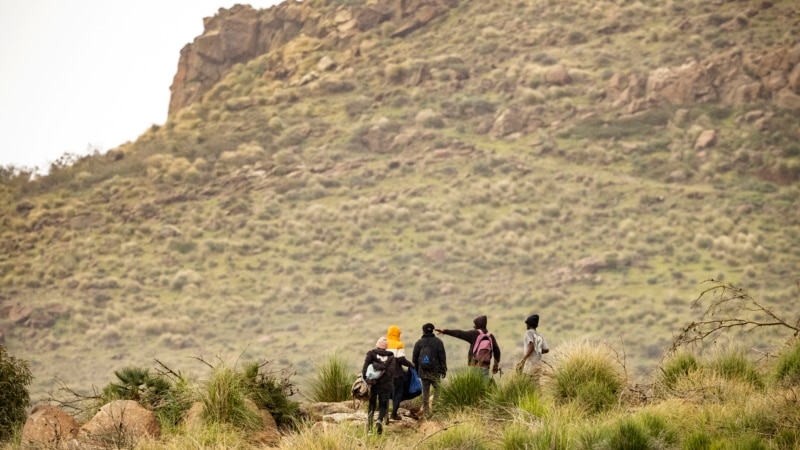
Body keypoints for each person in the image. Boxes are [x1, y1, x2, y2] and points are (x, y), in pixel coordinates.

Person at [436, 315, 500, 381]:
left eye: (475, 324)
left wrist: (445, 331)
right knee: (484, 388)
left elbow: (459, 333)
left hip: (474, 366)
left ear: (478, 324)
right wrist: (496, 365)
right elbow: (497, 351)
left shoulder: (474, 334)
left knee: (474, 388)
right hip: (486, 367)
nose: (474, 326)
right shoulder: (490, 336)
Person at [412, 323, 447, 416]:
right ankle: (435, 409)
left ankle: (426, 412)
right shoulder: (438, 342)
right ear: (432, 330)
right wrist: (443, 370)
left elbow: (414, 359)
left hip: (423, 372)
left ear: (423, 330)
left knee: (425, 391)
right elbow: (442, 357)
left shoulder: (419, 343)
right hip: (436, 371)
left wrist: (416, 371)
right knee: (437, 389)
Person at [362, 337, 394, 435]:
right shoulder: (391, 356)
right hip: (385, 385)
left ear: (377, 345)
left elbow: (365, 369)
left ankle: (370, 430)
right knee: (383, 406)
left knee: (372, 406)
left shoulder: (371, 354)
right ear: (386, 347)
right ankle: (379, 421)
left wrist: (367, 380)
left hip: (373, 385)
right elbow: (392, 371)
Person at [386, 325, 415, 421]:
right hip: (397, 374)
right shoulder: (399, 344)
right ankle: (394, 414)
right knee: (397, 394)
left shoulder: (384, 344)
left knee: (386, 394)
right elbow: (401, 359)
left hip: (386, 375)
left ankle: (384, 414)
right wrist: (411, 365)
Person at [517, 314, 549, 381]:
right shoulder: (539, 335)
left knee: (527, 385)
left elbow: (531, 347)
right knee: (536, 385)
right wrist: (538, 351)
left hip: (530, 365)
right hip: (538, 365)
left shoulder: (528, 333)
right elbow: (546, 349)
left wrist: (523, 360)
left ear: (528, 324)